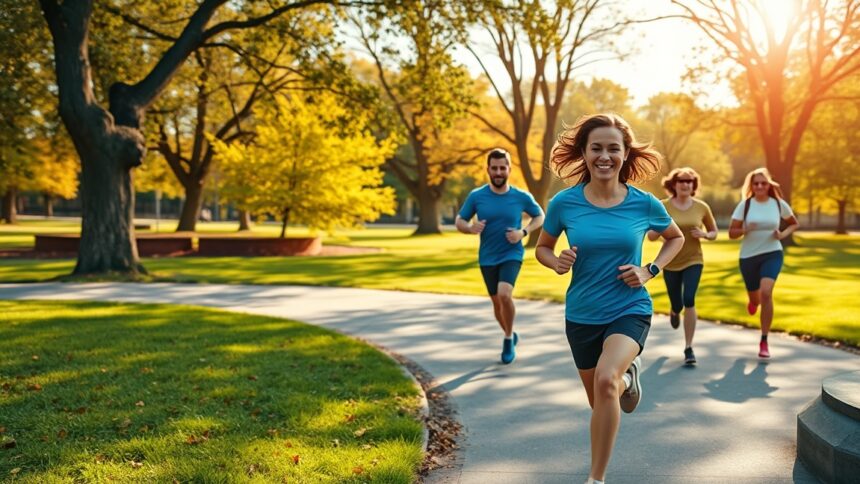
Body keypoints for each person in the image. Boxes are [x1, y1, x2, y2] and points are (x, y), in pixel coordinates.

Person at [535, 114, 683, 484]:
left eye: (613, 148)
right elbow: (542, 248)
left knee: (604, 381)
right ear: (584, 154)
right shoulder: (564, 203)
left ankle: (595, 479)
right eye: (596, 148)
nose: (605, 156)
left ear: (625, 153)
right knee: (602, 397)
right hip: (582, 314)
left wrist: (650, 270)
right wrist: (557, 262)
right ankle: (626, 381)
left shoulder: (643, 203)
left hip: (629, 308)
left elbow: (675, 237)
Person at [455, 148, 545, 364]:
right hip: (487, 256)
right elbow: (460, 220)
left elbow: (540, 215)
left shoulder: (521, 196)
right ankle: (510, 332)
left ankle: (506, 339)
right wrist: (470, 228)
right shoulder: (477, 196)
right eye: (494, 168)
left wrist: (523, 232)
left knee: (504, 295)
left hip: (511, 253)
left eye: (502, 168)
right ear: (488, 169)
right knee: (497, 304)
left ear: (509, 169)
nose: (498, 172)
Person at [647, 167, 717, 365]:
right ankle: (674, 310)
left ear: (693, 185)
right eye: (681, 180)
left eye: (689, 181)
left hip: (694, 259)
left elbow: (714, 232)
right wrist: (659, 229)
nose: (686, 184)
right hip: (670, 261)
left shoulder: (702, 207)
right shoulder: (662, 205)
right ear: (673, 184)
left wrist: (705, 235)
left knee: (689, 299)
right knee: (677, 302)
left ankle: (688, 348)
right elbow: (651, 237)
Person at [728, 168, 799, 358]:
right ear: (751, 186)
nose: (760, 186)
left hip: (772, 253)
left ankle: (764, 340)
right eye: (756, 183)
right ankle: (752, 301)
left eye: (763, 183)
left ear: (769, 185)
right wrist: (744, 228)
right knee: (756, 298)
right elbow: (731, 233)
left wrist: (782, 234)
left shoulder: (778, 204)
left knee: (766, 293)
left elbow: (793, 222)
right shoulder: (745, 205)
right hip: (748, 257)